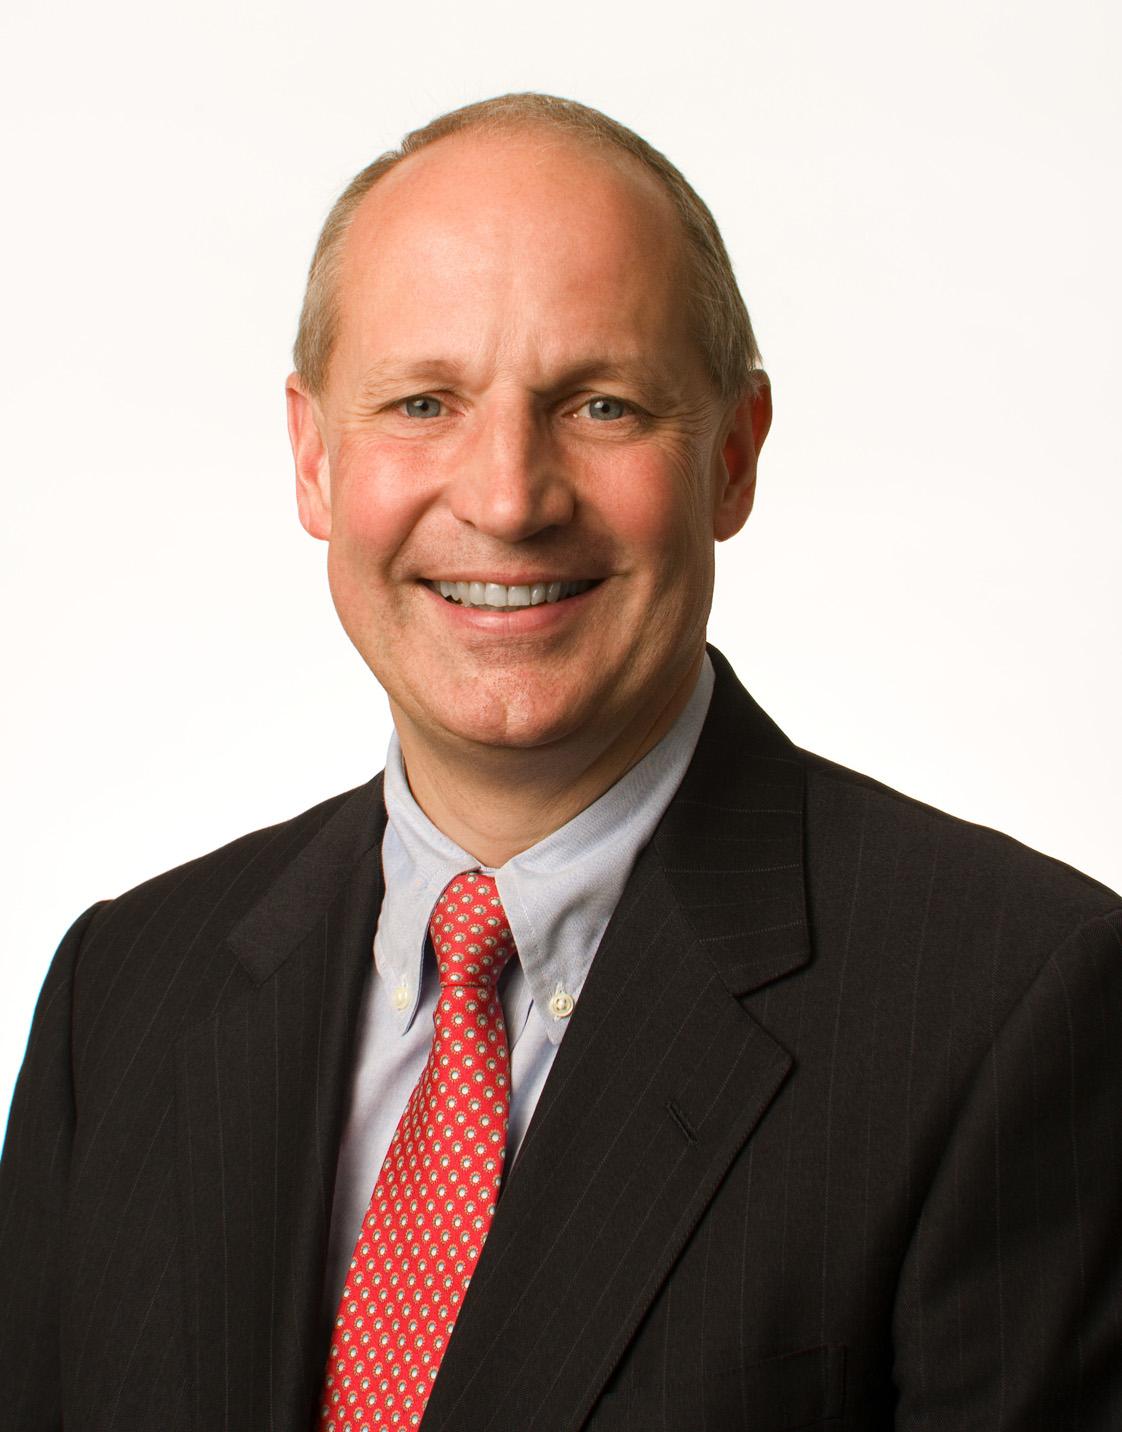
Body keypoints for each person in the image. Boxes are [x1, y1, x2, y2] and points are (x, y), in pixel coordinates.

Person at [1, 91, 1119, 1432]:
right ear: (313, 457)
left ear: (733, 456)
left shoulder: (1015, 1008)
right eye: (423, 402)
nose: (507, 497)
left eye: (600, 404)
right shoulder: (120, 997)